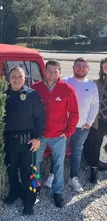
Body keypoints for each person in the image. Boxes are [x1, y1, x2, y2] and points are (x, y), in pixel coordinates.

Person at [44, 58, 99, 192]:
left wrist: (89, 122)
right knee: (59, 153)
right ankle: (52, 175)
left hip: (82, 127)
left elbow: (95, 105)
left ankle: (73, 177)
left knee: (77, 152)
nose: (81, 69)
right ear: (73, 68)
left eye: (84, 66)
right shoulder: (65, 82)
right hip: (64, 127)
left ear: (88, 68)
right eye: (78, 66)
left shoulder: (91, 85)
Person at [32, 60, 79, 208]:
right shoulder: (35, 88)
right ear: (44, 72)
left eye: (55, 71)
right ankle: (35, 187)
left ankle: (57, 192)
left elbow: (74, 113)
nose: (52, 74)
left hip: (59, 136)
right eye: (49, 71)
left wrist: (69, 131)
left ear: (60, 72)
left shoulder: (67, 89)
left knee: (58, 165)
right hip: (39, 136)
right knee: (35, 164)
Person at [3, 66, 45, 215]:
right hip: (9, 142)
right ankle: (14, 192)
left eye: (20, 76)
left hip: (28, 142)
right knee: (11, 170)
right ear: (8, 78)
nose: (17, 79)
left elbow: (41, 118)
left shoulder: (32, 94)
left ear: (25, 78)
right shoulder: (3, 94)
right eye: (13, 76)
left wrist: (38, 138)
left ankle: (29, 202)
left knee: (30, 173)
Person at [84, 57, 107, 183]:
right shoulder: (96, 83)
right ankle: (94, 171)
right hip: (100, 120)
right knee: (95, 147)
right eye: (105, 67)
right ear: (102, 69)